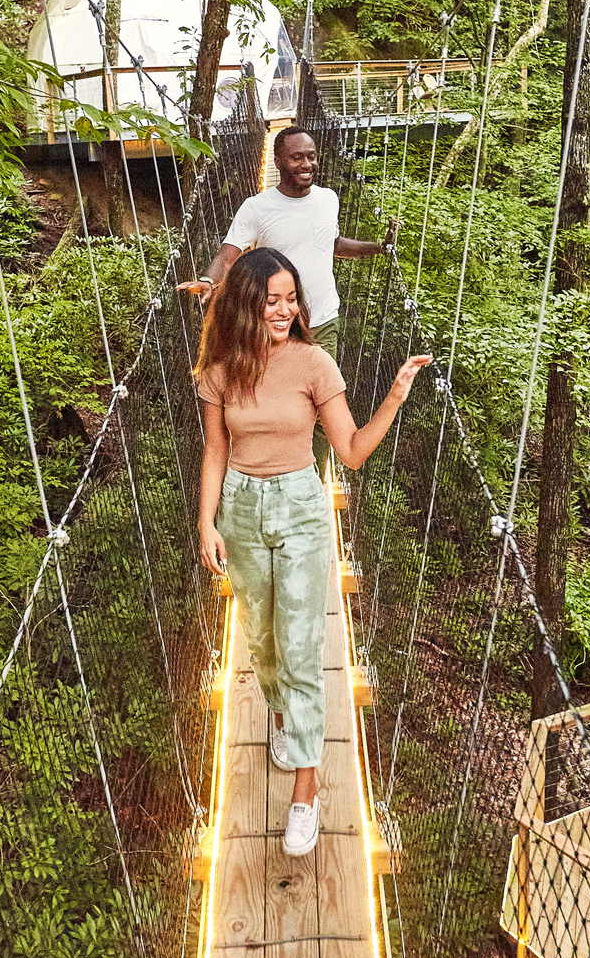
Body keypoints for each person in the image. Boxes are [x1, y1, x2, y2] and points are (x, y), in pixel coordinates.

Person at [195, 247, 430, 857]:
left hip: (301, 508)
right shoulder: (220, 369)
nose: (283, 310)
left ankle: (307, 791)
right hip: (242, 508)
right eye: (270, 300)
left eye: (290, 299)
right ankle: (281, 714)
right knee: (262, 641)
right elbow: (215, 449)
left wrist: (395, 396)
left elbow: (350, 451)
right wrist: (206, 523)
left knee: (301, 650)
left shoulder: (314, 363)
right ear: (245, 305)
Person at [181, 126, 396, 468]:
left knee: (324, 406)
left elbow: (331, 244)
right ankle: (271, 469)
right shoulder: (257, 208)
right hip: (275, 323)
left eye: (311, 157)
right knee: (274, 405)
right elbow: (228, 254)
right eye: (297, 157)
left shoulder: (328, 199)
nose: (306, 164)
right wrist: (210, 279)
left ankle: (313, 478)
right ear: (278, 161)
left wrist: (377, 248)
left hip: (322, 319)